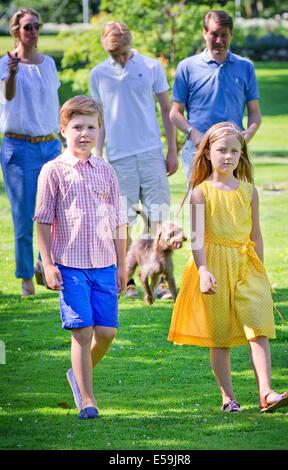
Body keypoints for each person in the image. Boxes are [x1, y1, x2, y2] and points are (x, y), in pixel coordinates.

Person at [168, 122, 288, 413]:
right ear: (208, 153)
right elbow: (197, 239)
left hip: (246, 265)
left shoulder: (249, 190)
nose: (227, 156)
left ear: (241, 155)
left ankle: (266, 393)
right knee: (220, 336)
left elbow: (256, 234)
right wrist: (202, 270)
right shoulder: (200, 193)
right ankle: (228, 398)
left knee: (258, 326)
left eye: (234, 151)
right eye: (221, 150)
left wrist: (260, 269)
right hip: (214, 265)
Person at [34, 96, 127, 419]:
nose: (84, 133)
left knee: (106, 333)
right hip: (70, 265)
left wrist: (122, 264)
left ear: (100, 129)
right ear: (63, 130)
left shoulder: (107, 171)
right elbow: (43, 220)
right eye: (77, 127)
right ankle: (87, 399)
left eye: (91, 126)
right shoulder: (53, 171)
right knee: (82, 331)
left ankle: (77, 373)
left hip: (105, 265)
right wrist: (47, 263)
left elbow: (119, 222)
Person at [90, 21, 178, 300]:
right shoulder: (98, 74)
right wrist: (98, 154)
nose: (119, 58)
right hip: (118, 156)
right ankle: (125, 280)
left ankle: (162, 283)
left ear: (129, 43)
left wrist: (172, 149)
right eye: (113, 54)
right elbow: (98, 117)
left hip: (151, 152)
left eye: (122, 52)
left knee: (158, 218)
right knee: (121, 222)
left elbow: (167, 109)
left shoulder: (151, 67)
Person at [0, 8, 62, 296]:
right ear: (16, 31)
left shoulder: (48, 63)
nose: (33, 31)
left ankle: (44, 266)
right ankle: (26, 278)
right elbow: (8, 95)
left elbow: (52, 102)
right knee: (25, 215)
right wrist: (12, 73)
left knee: (58, 213)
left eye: (37, 26)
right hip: (19, 146)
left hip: (50, 145)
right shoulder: (6, 64)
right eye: (28, 26)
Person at [170, 10, 261, 182]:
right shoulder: (187, 67)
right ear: (205, 33)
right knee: (199, 206)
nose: (219, 40)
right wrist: (194, 134)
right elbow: (175, 113)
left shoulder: (245, 67)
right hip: (198, 149)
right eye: (214, 34)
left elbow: (254, 112)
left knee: (235, 205)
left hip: (233, 151)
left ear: (231, 35)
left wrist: (245, 137)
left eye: (224, 35)